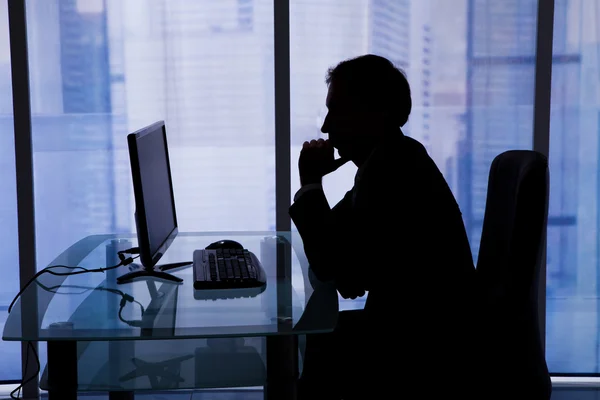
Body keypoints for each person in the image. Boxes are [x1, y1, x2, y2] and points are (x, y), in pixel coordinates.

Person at [289, 54, 477, 399]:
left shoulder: (393, 172)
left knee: (311, 347)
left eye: (339, 111)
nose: (326, 127)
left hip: (423, 349)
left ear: (378, 114)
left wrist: (311, 185)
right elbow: (341, 243)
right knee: (317, 341)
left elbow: (340, 273)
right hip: (420, 331)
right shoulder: (393, 158)